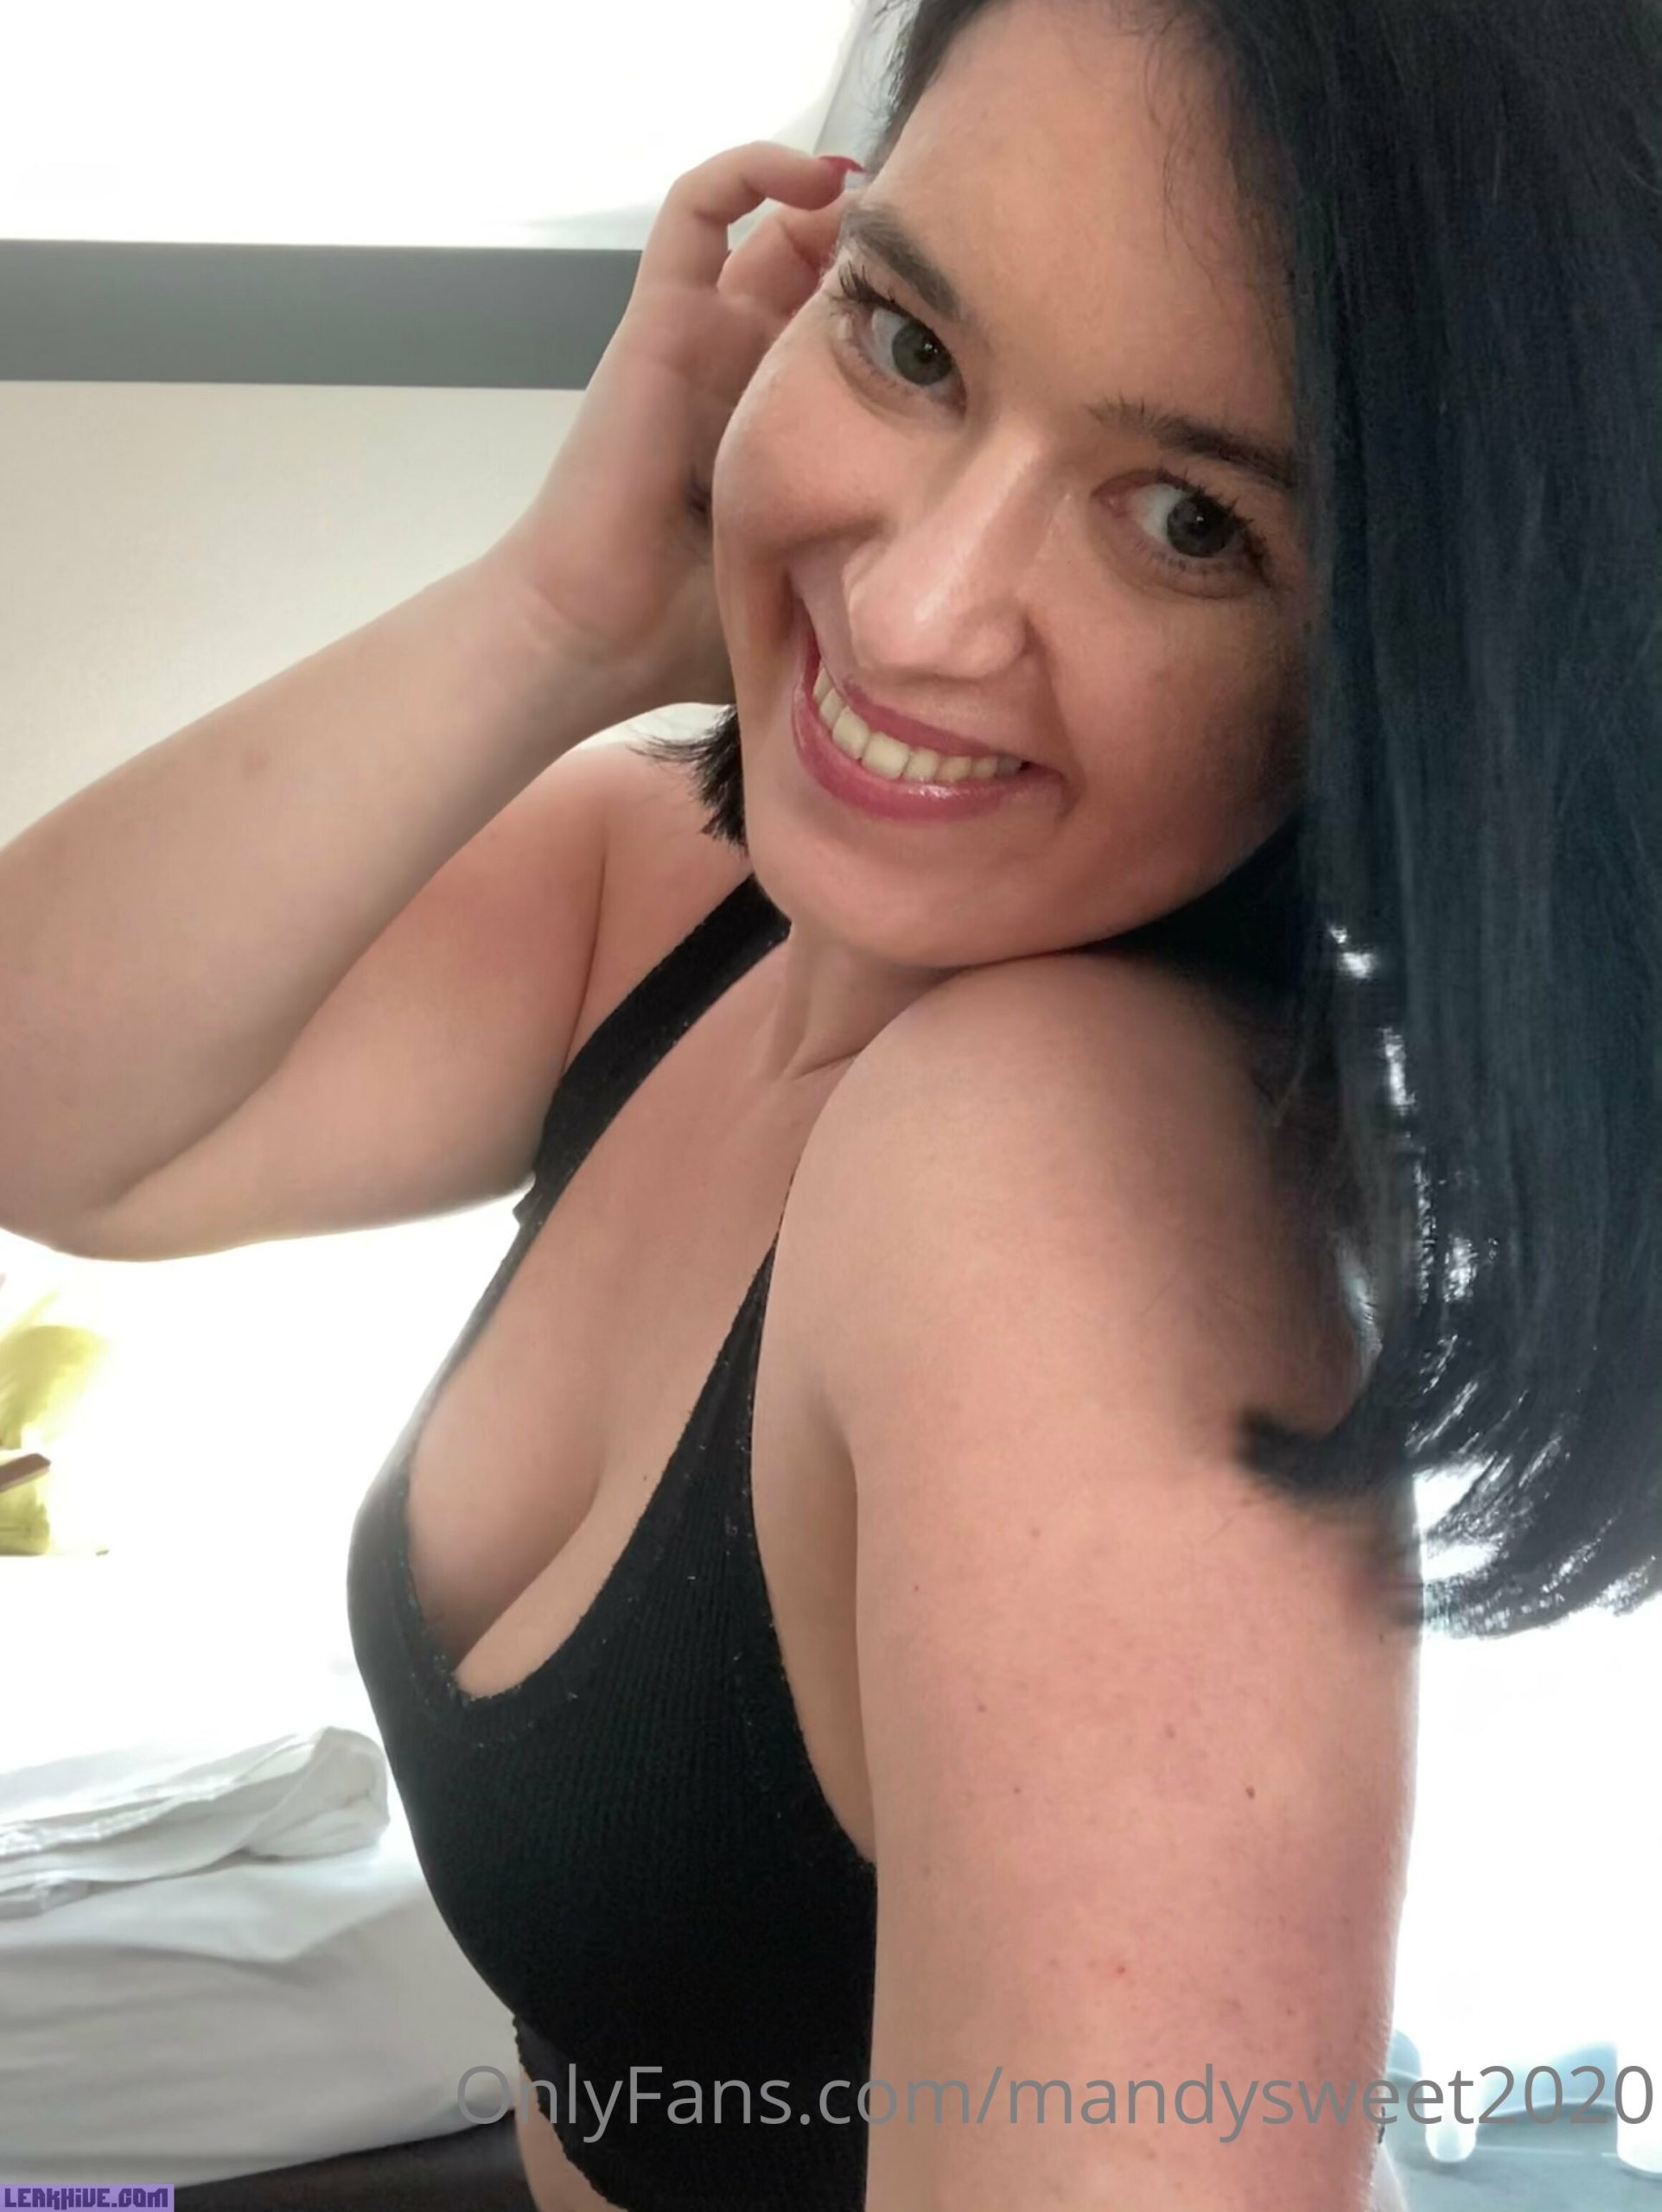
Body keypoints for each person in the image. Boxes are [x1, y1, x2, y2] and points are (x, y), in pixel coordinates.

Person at [1, 0, 1655, 2203]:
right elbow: (55, 1105)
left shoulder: (1055, 1166)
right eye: (908, 341)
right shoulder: (674, 898)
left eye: (1188, 519)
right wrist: (563, 606)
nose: (914, 601)